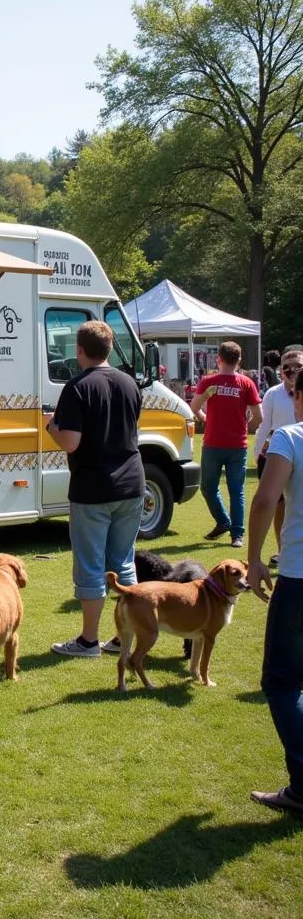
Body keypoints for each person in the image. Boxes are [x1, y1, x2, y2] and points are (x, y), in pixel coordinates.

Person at [46, 321, 145, 657]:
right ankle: (123, 637)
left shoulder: (76, 387)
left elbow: (70, 442)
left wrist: (51, 428)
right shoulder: (130, 383)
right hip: (132, 482)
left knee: (91, 565)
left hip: (93, 487)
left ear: (79, 350)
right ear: (110, 347)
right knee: (123, 562)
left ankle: (89, 640)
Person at [245, 366, 303, 817]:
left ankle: (302, 786)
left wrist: (255, 557)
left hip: (300, 579)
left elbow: (266, 499)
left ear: (296, 396)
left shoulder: (290, 437)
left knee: (281, 681)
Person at [191, 341, 262, 549]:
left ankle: (223, 521)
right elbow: (259, 416)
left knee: (208, 488)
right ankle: (237, 535)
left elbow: (194, 407)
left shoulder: (208, 381)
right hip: (237, 446)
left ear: (218, 359)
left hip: (213, 443)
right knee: (236, 490)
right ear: (239, 360)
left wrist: (207, 419)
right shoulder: (246, 383)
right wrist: (243, 426)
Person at [254, 350, 303, 569]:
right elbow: (265, 425)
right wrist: (258, 454)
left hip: (296, 451)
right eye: (287, 367)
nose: (292, 371)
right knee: (278, 504)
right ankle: (283, 548)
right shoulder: (273, 394)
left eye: (297, 366)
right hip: (277, 453)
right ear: (280, 371)